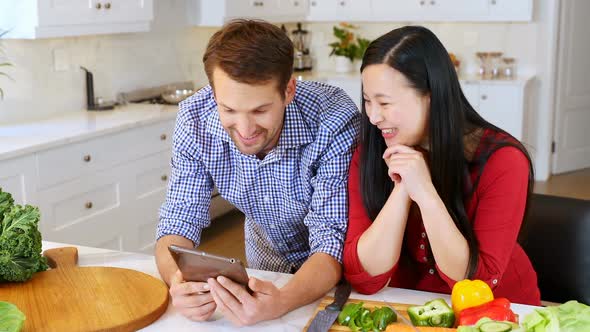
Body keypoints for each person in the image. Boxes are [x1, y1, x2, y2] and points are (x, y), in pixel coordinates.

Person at [155, 19, 360, 326]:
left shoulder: (332, 119)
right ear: (213, 94)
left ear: (288, 90)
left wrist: (284, 301)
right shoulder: (194, 119)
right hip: (264, 252)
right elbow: (177, 221)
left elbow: (330, 239)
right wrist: (178, 281)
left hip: (333, 268)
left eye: (260, 111)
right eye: (229, 110)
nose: (246, 129)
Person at [342, 26, 541, 305]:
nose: (373, 117)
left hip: (498, 309)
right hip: (407, 307)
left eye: (385, 103)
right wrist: (402, 188)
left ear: (431, 96)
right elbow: (365, 275)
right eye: (367, 101)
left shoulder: (504, 161)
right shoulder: (369, 152)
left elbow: (474, 282)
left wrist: (424, 193)